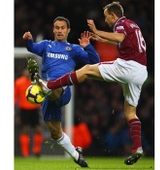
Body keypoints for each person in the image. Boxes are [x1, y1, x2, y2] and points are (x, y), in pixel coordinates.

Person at [34, 2, 148, 165]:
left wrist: (95, 30)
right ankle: (138, 148)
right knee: (130, 113)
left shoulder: (121, 23)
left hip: (128, 66)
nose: (106, 20)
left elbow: (119, 37)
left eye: (107, 17)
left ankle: (49, 86)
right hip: (141, 71)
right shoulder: (133, 25)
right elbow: (122, 42)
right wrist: (100, 39)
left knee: (86, 70)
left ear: (113, 15)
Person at [23, 16, 99, 167]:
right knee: (55, 132)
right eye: (57, 27)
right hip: (47, 97)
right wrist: (28, 40)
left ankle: (43, 84)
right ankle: (77, 155)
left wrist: (87, 46)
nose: (59, 30)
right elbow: (32, 48)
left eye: (62, 28)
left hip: (62, 90)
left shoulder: (74, 49)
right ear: (53, 29)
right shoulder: (46, 45)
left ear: (68, 30)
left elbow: (95, 62)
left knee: (55, 87)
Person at [14, 68, 44, 157]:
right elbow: (15, 96)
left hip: (34, 109)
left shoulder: (36, 82)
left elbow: (42, 94)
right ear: (24, 71)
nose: (27, 72)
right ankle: (25, 153)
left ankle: (37, 150)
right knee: (24, 130)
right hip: (24, 109)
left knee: (38, 129)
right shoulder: (19, 82)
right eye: (26, 70)